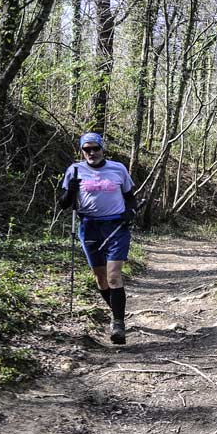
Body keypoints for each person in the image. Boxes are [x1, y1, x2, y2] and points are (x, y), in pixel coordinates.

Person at [59, 132, 138, 345]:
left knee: (113, 276)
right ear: (82, 151)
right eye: (87, 149)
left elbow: (131, 197)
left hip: (116, 226)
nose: (91, 153)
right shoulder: (74, 170)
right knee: (100, 278)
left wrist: (131, 212)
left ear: (103, 149)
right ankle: (116, 311)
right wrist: (70, 191)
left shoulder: (118, 169)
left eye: (95, 148)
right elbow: (64, 204)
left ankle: (119, 324)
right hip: (90, 226)